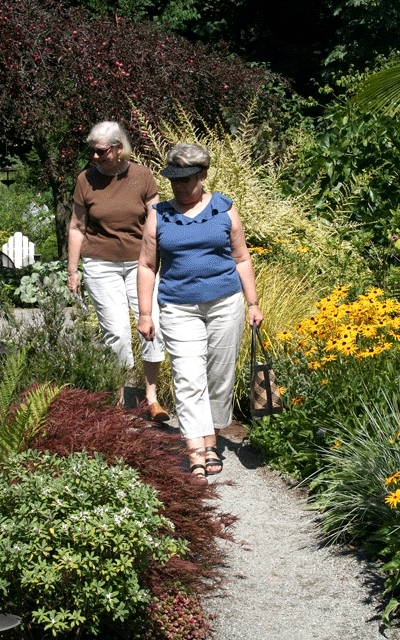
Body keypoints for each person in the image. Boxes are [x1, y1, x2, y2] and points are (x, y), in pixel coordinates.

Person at [137, 142, 263, 481]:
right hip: (178, 306)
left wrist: (253, 304)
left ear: (203, 175)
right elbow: (148, 265)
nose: (179, 186)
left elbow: (242, 258)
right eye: (174, 179)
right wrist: (146, 314)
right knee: (188, 376)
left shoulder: (224, 208)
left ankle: (212, 440)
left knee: (219, 376)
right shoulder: (159, 214)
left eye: (186, 179)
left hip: (225, 303)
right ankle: (195, 447)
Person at [67, 121, 169, 422]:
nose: (94, 157)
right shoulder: (85, 180)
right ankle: (121, 399)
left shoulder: (141, 176)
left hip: (142, 265)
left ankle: (151, 398)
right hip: (101, 265)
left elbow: (157, 218)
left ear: (118, 148)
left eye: (100, 152)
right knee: (118, 334)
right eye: (92, 152)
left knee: (153, 328)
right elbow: (77, 227)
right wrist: (73, 271)